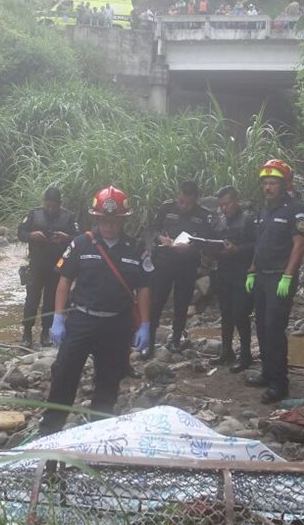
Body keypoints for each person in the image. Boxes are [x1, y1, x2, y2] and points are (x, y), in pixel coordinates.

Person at [38, 186, 153, 437]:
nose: (109, 226)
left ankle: (99, 433)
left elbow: (143, 288)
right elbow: (64, 282)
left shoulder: (135, 249)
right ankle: (48, 431)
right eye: (104, 220)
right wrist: (58, 318)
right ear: (96, 219)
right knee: (64, 374)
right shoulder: (81, 244)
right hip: (82, 320)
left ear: (123, 220)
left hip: (116, 325)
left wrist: (145, 324)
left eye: (114, 221)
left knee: (109, 380)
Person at [243, 159, 304, 403]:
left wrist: (288, 276)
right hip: (262, 276)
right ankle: (267, 372)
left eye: (273, 183)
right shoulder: (264, 211)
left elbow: (299, 245)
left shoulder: (296, 210)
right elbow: (260, 245)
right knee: (261, 326)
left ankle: (279, 383)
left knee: (274, 329)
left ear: (284, 185)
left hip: (280, 279)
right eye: (265, 183)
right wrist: (252, 270)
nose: (268, 187)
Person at [145, 180, 214, 355]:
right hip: (164, 263)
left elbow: (206, 242)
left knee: (182, 303)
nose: (184, 206)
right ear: (178, 196)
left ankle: (176, 339)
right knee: (156, 302)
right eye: (181, 201)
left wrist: (190, 247)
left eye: (189, 203)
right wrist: (162, 239)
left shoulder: (204, 215)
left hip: (187, 266)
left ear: (196, 200)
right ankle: (149, 341)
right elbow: (155, 230)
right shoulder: (167, 208)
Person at [17, 187, 80, 347]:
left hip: (57, 266)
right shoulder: (34, 214)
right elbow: (20, 233)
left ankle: (46, 332)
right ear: (44, 202)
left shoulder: (68, 217)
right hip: (37, 264)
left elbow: (79, 240)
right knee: (31, 300)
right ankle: (27, 334)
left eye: (54, 206)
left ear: (60, 204)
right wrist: (32, 235)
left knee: (51, 301)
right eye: (48, 205)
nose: (50, 209)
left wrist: (66, 238)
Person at [211, 185, 256, 372]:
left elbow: (257, 245)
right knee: (226, 313)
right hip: (224, 273)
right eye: (221, 205)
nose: (224, 208)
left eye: (227, 204)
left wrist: (238, 249)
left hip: (243, 274)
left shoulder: (248, 219)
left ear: (236, 201)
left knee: (240, 314)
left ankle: (245, 355)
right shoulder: (220, 221)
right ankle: (226, 351)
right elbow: (213, 242)